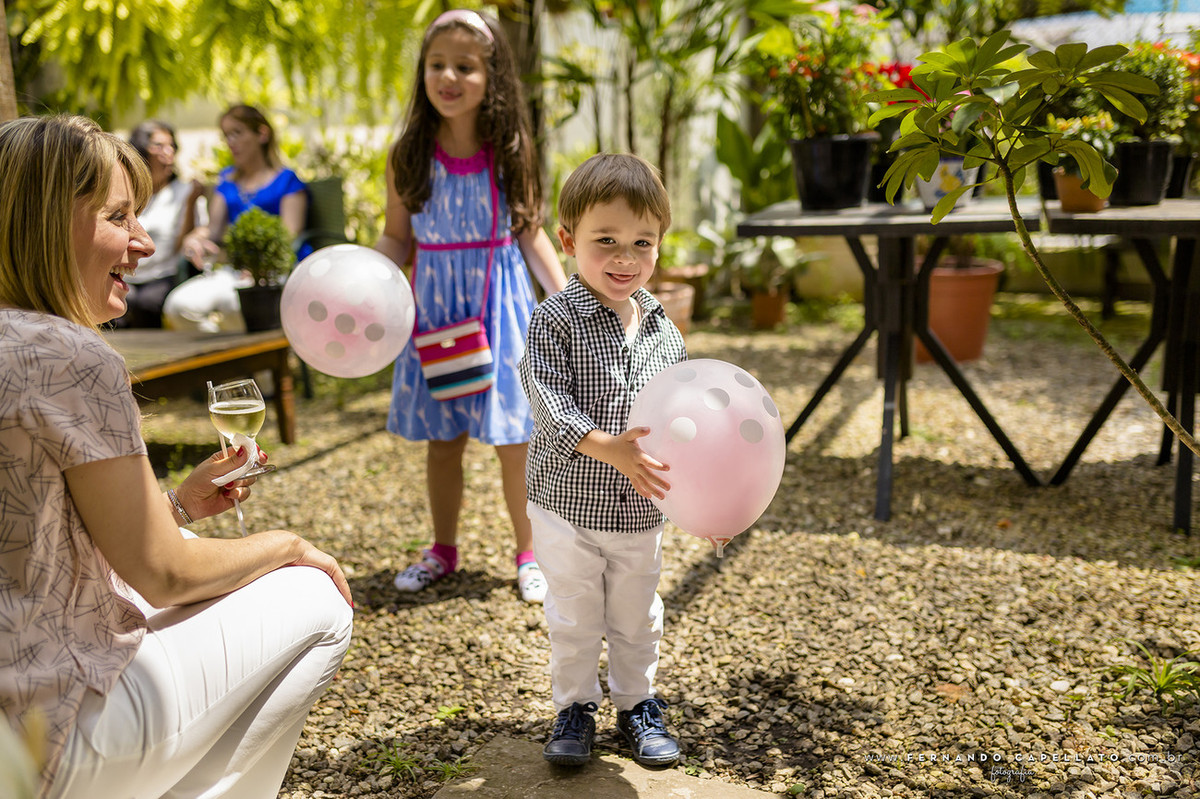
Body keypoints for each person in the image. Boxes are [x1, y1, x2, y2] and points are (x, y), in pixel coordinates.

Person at [0, 114, 353, 799]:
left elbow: (33, 541)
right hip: (43, 742)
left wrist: (175, 507)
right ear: (47, 220)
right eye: (117, 215)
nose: (141, 240)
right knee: (317, 593)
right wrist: (289, 543)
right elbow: (163, 573)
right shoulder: (71, 359)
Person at [375, 8, 567, 604]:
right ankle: (443, 549)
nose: (448, 77)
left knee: (517, 438)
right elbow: (396, 237)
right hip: (435, 308)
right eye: (437, 65)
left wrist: (568, 300)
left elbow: (531, 230)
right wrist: (364, 279)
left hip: (499, 302)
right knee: (444, 439)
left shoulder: (508, 148)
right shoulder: (408, 153)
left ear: (494, 77)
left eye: (465, 66)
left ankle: (530, 554)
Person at [518, 153, 687, 768]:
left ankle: (637, 701)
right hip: (566, 503)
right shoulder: (553, 319)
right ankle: (575, 705)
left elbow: (684, 423)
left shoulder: (664, 330)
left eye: (642, 243)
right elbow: (544, 391)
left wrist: (709, 499)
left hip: (640, 508)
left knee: (637, 611)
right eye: (606, 241)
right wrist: (602, 444)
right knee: (573, 610)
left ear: (660, 246)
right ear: (567, 241)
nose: (625, 258)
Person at [165, 104, 310, 332]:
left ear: (262, 134)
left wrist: (259, 268)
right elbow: (212, 229)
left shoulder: (287, 181)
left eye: (237, 133)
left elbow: (289, 235)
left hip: (275, 273)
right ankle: (225, 359)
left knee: (234, 305)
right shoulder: (227, 180)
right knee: (178, 306)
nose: (231, 142)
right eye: (226, 136)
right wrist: (195, 238)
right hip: (234, 271)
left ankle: (251, 361)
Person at [109, 120, 206, 328]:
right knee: (116, 304)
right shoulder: (127, 192)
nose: (168, 152)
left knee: (146, 303)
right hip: (127, 271)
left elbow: (184, 242)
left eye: (171, 146)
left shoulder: (185, 192)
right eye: (159, 146)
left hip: (163, 275)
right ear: (142, 150)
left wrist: (190, 205)